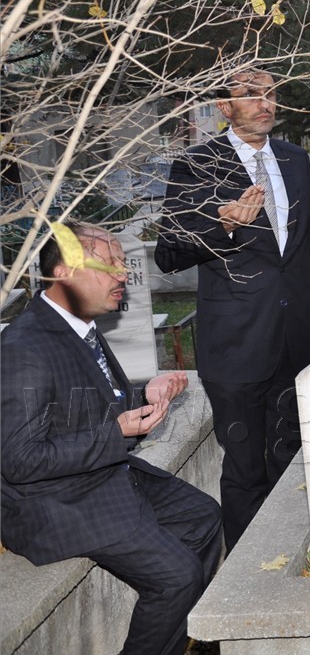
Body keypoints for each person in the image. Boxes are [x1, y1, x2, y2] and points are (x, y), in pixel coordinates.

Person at [155, 69, 310, 550]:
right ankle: (246, 573)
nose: (265, 103)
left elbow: (308, 243)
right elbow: (168, 254)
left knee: (294, 455)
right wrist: (224, 226)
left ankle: (295, 554)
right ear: (225, 108)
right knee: (246, 467)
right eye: (250, 95)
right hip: (236, 344)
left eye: (271, 93)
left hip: (293, 338)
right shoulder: (197, 165)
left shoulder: (294, 159)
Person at [1, 223, 222, 655]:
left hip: (99, 474)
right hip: (55, 503)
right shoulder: (23, 347)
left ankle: (177, 641)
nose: (122, 275)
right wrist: (117, 432)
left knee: (205, 518)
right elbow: (20, 460)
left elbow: (79, 411)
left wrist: (144, 397)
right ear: (64, 272)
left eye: (122, 263)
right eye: (110, 264)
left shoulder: (77, 324)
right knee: (176, 577)